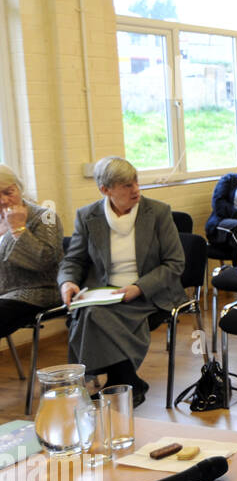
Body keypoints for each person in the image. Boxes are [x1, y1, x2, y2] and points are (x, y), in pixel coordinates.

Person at [58, 157, 185, 407]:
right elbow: (73, 259)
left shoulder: (158, 212)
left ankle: (120, 383)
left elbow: (175, 263)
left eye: (136, 181)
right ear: (105, 190)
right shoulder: (88, 215)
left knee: (94, 316)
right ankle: (127, 383)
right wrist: (67, 282)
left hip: (149, 292)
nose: (136, 189)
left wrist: (138, 288)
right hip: (105, 292)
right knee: (90, 312)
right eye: (126, 185)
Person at [0, 165, 63, 339]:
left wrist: (18, 229)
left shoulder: (45, 217)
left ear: (19, 188)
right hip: (5, 294)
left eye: (8, 192)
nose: (3, 200)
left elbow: (46, 261)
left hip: (37, 291)